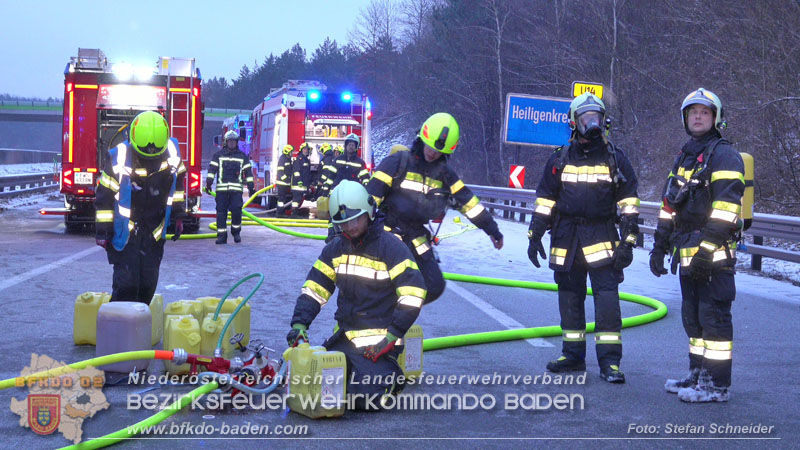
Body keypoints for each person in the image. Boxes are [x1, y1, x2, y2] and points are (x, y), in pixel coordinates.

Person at [527, 93, 639, 383]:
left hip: (601, 237)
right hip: (566, 238)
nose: (592, 123)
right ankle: (573, 356)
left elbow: (629, 204)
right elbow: (545, 199)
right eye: (586, 118)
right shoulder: (559, 158)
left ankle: (610, 363)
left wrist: (628, 242)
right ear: (574, 123)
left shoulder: (616, 159)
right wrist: (535, 233)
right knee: (569, 299)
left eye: (596, 117)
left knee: (607, 302)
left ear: (604, 121)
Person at [287, 180, 426, 409]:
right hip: (346, 339)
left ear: (369, 212)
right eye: (344, 222)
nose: (350, 227)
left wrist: (392, 336)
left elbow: (414, 293)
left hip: (381, 344)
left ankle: (392, 379)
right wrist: (300, 325)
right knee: (318, 382)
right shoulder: (335, 249)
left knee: (363, 399)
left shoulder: (390, 248)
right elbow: (315, 287)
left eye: (355, 219)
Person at [651, 88, 744, 403]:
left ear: (716, 118)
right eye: (693, 112)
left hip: (714, 254)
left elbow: (726, 209)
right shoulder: (685, 156)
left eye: (705, 112)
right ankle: (697, 373)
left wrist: (707, 249)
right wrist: (659, 246)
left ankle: (716, 385)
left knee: (713, 317)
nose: (698, 117)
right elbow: (669, 205)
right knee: (692, 318)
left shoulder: (724, 154)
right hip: (687, 251)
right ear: (685, 118)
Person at [367, 113, 504, 304]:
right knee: (381, 280)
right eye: (431, 147)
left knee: (434, 285)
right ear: (423, 138)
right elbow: (370, 198)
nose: (432, 153)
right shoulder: (398, 162)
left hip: (417, 235)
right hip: (388, 232)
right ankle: (378, 313)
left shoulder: (445, 175)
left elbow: (469, 204)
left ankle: (397, 311)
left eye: (438, 151)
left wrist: (492, 230)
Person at [94, 111, 186, 304]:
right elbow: (104, 197)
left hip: (154, 232)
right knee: (126, 285)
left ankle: (138, 319)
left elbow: (178, 185)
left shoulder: (172, 153)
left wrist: (179, 215)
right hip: (126, 233)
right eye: (146, 152)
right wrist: (103, 231)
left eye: (155, 152)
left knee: (148, 285)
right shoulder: (119, 158)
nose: (151, 155)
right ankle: (119, 321)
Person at [206, 130, 254, 244]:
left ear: (236, 142)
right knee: (221, 213)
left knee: (237, 212)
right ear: (226, 142)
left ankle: (236, 232)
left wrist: (251, 187)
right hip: (222, 191)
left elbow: (248, 173)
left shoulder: (242, 156)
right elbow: (212, 171)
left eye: (234, 141)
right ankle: (221, 236)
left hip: (236, 191)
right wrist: (208, 183)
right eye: (230, 141)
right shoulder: (218, 155)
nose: (232, 143)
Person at [290, 142, 313, 217]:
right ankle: (294, 214)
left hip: (303, 184)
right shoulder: (299, 159)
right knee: (296, 200)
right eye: (304, 149)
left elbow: (307, 173)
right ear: (301, 150)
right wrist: (299, 180)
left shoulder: (306, 160)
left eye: (307, 149)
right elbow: (296, 171)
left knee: (299, 199)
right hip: (298, 184)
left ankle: (295, 213)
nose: (306, 151)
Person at [275, 145, 294, 217]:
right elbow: (280, 172)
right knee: (281, 199)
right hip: (282, 183)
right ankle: (279, 213)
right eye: (291, 152)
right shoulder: (282, 159)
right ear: (287, 151)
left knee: (283, 199)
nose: (292, 153)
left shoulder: (288, 159)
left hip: (285, 183)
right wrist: (287, 179)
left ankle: (281, 212)